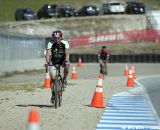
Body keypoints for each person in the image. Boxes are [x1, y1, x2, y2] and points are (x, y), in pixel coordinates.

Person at [45, 30, 70, 103]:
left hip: (62, 60)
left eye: (58, 38)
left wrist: (66, 61)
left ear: (61, 37)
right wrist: (47, 62)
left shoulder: (65, 43)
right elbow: (48, 54)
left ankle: (64, 79)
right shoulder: (50, 43)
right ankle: (53, 94)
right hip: (54, 61)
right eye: (55, 38)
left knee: (67, 66)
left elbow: (67, 54)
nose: (56, 40)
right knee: (53, 78)